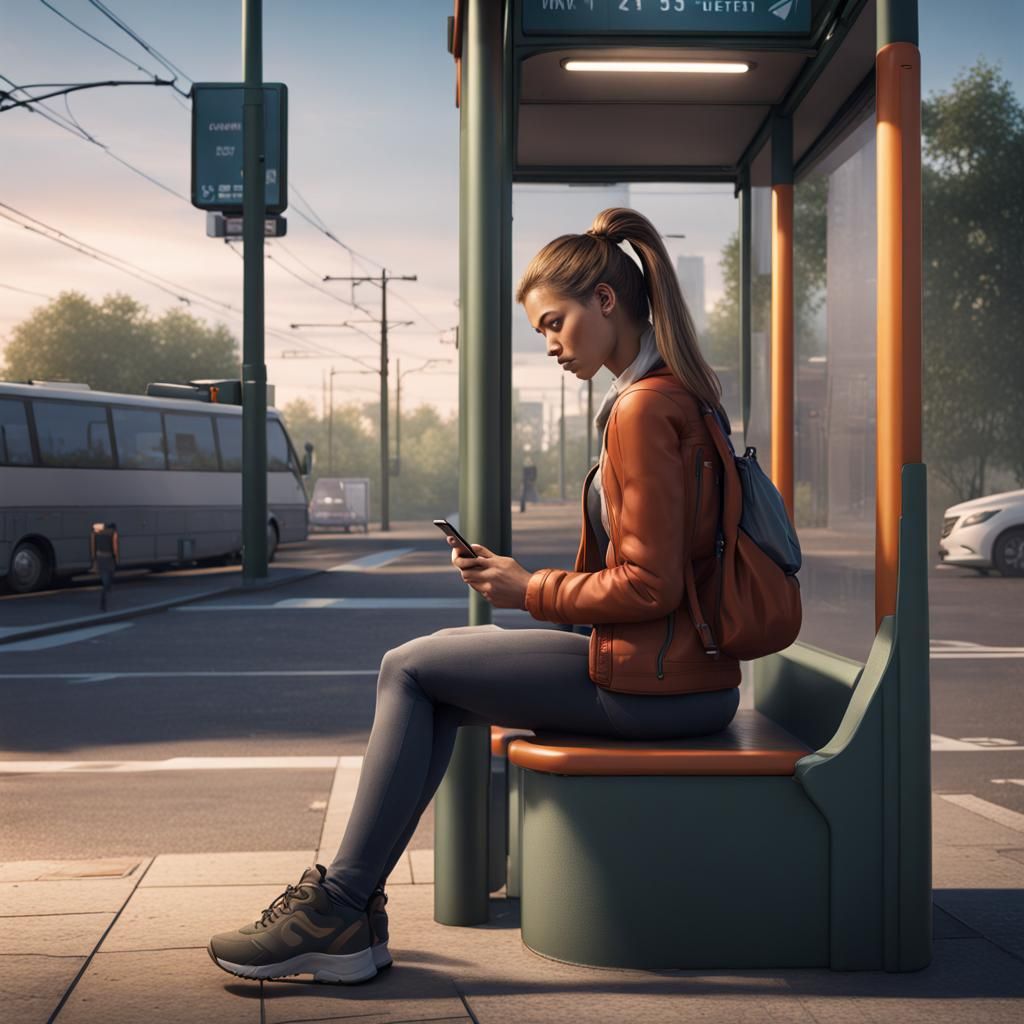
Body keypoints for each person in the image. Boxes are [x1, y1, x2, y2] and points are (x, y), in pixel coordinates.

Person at [207, 206, 741, 985]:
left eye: (555, 324)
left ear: (604, 302)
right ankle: (349, 910)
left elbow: (650, 584)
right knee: (433, 665)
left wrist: (528, 588)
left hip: (664, 686)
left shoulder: (641, 408)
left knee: (412, 670)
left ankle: (340, 908)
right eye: (541, 332)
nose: (551, 345)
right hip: (682, 671)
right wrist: (528, 584)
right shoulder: (674, 392)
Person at [89, 522, 119, 612]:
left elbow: (93, 546)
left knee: (104, 578)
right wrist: (116, 559)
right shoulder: (114, 533)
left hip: (99, 558)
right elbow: (115, 547)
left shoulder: (98, 533)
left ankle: (105, 599)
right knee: (108, 581)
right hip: (109, 558)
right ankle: (104, 602)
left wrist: (94, 559)